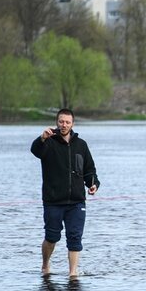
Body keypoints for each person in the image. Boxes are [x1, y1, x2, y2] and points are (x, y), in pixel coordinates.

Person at [31, 108, 100, 277]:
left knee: (75, 238)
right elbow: (35, 151)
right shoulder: (48, 142)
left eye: (67, 122)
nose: (64, 125)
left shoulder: (81, 145)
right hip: (53, 200)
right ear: (57, 122)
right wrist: (42, 138)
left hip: (76, 202)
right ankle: (45, 265)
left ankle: (73, 274)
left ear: (72, 124)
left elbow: (89, 170)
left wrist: (93, 184)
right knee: (52, 237)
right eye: (61, 121)